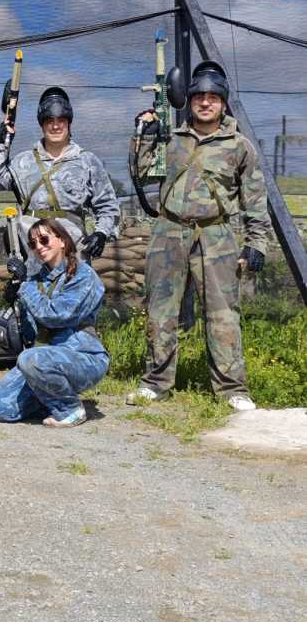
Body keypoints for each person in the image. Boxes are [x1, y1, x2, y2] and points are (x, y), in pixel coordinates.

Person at [126, 61, 269, 412]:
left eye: (212, 97)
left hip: (216, 234)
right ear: (189, 101)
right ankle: (155, 382)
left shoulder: (240, 146)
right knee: (160, 309)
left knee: (223, 312)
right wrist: (146, 135)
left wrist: (257, 243)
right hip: (169, 230)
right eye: (199, 96)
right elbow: (141, 173)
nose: (205, 102)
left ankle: (232, 388)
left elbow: (254, 199)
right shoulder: (171, 138)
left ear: (223, 102)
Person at [0, 219, 109, 427]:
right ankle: (51, 397)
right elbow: (29, 333)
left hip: (83, 357)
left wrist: (25, 287)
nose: (39, 247)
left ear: (62, 241)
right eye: (33, 244)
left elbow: (57, 315)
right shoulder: (36, 280)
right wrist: (14, 302)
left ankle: (70, 409)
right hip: (43, 360)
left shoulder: (82, 275)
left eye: (44, 239)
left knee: (30, 359)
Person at [0, 86, 119, 258]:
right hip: (33, 252)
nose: (55, 126)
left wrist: (101, 233)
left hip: (73, 250)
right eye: (49, 121)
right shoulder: (23, 161)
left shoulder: (87, 161)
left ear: (69, 122)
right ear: (42, 124)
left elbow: (108, 206)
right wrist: (2, 145)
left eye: (61, 120)